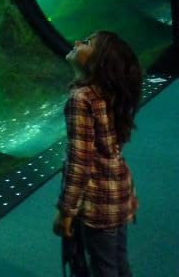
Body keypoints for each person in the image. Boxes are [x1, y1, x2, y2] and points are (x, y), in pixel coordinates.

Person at [53, 30, 142, 277]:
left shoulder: (81, 99)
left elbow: (79, 162)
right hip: (119, 190)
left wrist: (66, 211)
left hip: (99, 200)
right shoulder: (109, 91)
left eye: (88, 42)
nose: (77, 42)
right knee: (119, 261)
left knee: (103, 269)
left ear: (98, 61)